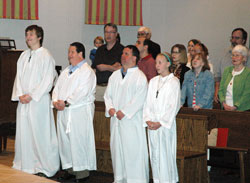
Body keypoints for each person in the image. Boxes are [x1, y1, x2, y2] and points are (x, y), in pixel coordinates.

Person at [11, 25, 59, 177]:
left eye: (31, 34)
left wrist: (31, 95)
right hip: (24, 101)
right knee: (24, 133)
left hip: (38, 102)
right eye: (26, 34)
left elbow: (48, 80)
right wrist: (20, 94)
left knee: (40, 133)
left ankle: (45, 166)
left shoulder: (46, 55)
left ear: (39, 37)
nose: (28, 37)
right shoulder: (24, 56)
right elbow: (18, 77)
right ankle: (26, 164)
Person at [52, 42, 97, 182]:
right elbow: (57, 87)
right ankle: (70, 169)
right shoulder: (66, 71)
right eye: (69, 52)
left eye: (72, 52)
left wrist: (66, 102)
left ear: (80, 54)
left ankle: (82, 173)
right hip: (64, 111)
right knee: (65, 142)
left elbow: (82, 92)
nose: (69, 55)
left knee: (78, 141)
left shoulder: (87, 71)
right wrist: (55, 101)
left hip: (78, 112)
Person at [104, 45, 149, 183]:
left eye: (127, 53)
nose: (123, 56)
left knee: (133, 152)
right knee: (117, 151)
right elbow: (108, 95)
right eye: (123, 53)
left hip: (131, 122)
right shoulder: (115, 75)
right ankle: (119, 179)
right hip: (116, 121)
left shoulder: (139, 77)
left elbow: (139, 99)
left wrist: (124, 112)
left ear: (134, 58)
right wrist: (110, 108)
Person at [143, 52, 180, 183]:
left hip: (164, 126)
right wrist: (148, 120)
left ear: (168, 63)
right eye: (156, 63)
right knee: (154, 155)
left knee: (165, 155)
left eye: (160, 62)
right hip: (152, 125)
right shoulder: (153, 81)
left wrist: (160, 122)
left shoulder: (173, 82)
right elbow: (147, 103)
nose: (157, 65)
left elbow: (173, 106)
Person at [214, 28, 250, 103]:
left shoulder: (248, 55)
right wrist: (217, 91)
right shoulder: (224, 54)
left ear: (244, 40)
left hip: (242, 97)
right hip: (225, 96)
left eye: (237, 38)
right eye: (232, 38)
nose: (233, 40)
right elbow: (218, 76)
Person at [218, 45, 250, 111]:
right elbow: (220, 90)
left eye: (237, 55)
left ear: (244, 58)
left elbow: (247, 93)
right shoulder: (227, 70)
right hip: (225, 108)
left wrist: (235, 106)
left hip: (242, 110)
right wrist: (224, 104)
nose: (234, 58)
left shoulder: (248, 73)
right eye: (233, 55)